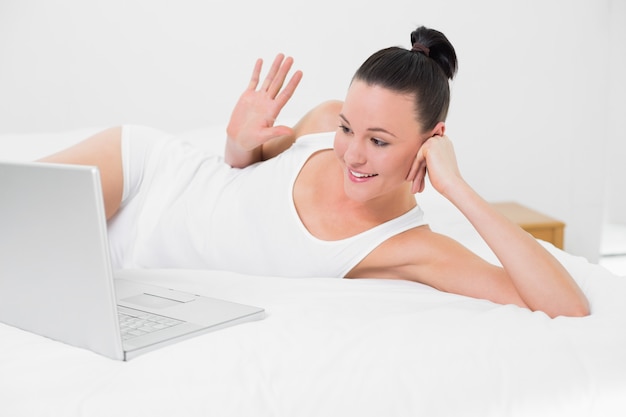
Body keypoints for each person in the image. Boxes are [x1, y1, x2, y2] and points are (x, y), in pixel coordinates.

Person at [40, 26, 589, 318]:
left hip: (135, 257)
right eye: (349, 128)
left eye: (378, 142)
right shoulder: (323, 120)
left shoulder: (411, 248)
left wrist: (458, 187)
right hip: (143, 171)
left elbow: (566, 306)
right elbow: (247, 168)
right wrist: (236, 143)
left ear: (431, 142)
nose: (350, 153)